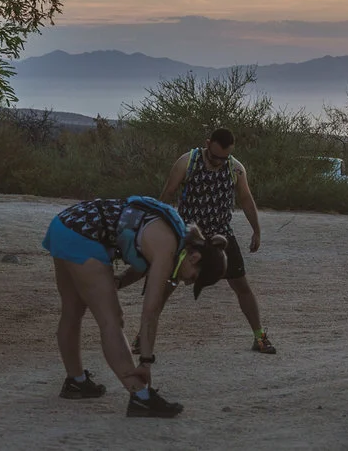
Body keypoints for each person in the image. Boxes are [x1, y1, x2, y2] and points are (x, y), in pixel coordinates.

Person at [42, 195, 228, 417]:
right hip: (84, 236)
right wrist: (145, 362)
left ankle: (76, 381)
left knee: (72, 311)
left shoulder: (175, 234)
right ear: (194, 257)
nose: (188, 282)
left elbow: (140, 257)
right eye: (194, 278)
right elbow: (150, 312)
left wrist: (119, 280)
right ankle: (140, 397)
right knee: (112, 320)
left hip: (65, 224)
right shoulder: (168, 249)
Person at [153, 127, 276, 354]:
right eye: (214, 157)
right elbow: (167, 194)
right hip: (189, 234)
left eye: (224, 158)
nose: (219, 162)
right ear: (207, 144)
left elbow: (246, 199)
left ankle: (260, 338)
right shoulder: (187, 162)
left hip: (221, 235)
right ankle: (143, 335)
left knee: (242, 287)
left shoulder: (235, 168)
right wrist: (159, 228)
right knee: (167, 285)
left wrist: (256, 231)